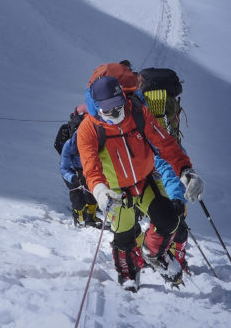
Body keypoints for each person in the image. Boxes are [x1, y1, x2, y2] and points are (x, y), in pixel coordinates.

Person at [77, 75, 205, 290]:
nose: (116, 113)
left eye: (118, 106)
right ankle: (127, 273)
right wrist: (100, 191)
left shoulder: (138, 114)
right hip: (116, 191)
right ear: (96, 106)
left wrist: (185, 170)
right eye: (108, 109)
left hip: (142, 181)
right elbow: (91, 167)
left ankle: (152, 252)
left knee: (169, 221)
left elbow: (165, 144)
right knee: (124, 235)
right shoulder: (89, 129)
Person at [60, 126, 99, 227]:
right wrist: (73, 178)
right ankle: (79, 216)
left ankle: (91, 217)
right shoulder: (69, 145)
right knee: (76, 196)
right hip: (72, 173)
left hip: (87, 171)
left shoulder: (92, 143)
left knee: (91, 193)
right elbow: (64, 168)